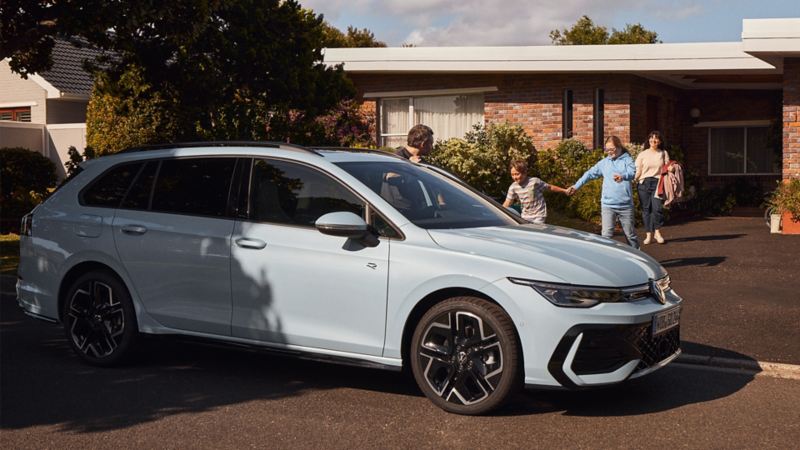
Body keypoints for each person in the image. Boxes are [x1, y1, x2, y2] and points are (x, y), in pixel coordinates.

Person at [567, 136, 639, 249]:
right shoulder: (604, 163)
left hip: (625, 205)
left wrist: (623, 176)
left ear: (619, 147)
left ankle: (638, 259)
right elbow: (589, 174)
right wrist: (576, 186)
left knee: (630, 236)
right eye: (607, 150)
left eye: (612, 149)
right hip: (608, 205)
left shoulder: (627, 160)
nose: (610, 152)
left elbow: (632, 172)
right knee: (606, 236)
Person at [503, 159, 569, 224]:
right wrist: (498, 213)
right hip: (525, 215)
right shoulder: (513, 187)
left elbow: (550, 187)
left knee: (537, 231)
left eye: (517, 174)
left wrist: (564, 190)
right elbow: (508, 202)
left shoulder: (534, 182)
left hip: (539, 214)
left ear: (525, 172)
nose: (515, 177)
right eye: (512, 174)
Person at [635, 130, 671, 244]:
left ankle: (657, 232)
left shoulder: (663, 153)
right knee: (646, 210)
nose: (653, 140)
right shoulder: (643, 154)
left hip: (658, 183)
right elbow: (638, 170)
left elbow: (668, 166)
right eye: (651, 138)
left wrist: (671, 168)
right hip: (644, 183)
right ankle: (648, 234)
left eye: (656, 138)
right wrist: (631, 180)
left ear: (660, 141)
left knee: (657, 209)